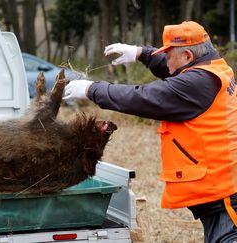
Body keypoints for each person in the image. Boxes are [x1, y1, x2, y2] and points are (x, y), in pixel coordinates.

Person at [63, 21, 237, 242]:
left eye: (168, 55)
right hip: (223, 187)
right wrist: (141, 53)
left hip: (224, 194)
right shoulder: (214, 68)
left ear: (187, 56)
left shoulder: (198, 82)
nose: (166, 61)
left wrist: (91, 89)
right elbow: (174, 69)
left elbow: (144, 97)